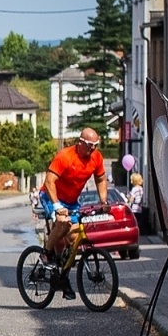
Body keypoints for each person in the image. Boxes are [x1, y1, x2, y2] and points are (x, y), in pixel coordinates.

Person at [40, 128, 109, 298]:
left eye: (95, 145)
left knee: (73, 241)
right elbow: (49, 181)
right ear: (80, 142)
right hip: (51, 196)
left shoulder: (96, 158)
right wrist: (56, 206)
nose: (92, 149)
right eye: (89, 145)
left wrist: (103, 201)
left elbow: (100, 178)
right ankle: (46, 252)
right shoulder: (65, 156)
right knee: (63, 222)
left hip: (71, 202)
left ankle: (62, 277)